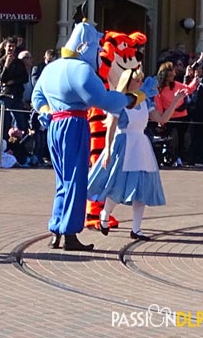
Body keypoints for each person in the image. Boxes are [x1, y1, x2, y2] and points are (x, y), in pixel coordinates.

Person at [32, 21, 158, 251]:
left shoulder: (51, 68)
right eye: (97, 47)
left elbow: (37, 97)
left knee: (63, 181)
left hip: (55, 125)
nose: (100, 53)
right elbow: (105, 101)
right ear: (85, 47)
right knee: (76, 180)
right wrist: (138, 95)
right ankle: (69, 233)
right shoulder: (81, 70)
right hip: (74, 124)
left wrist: (46, 111)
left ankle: (56, 229)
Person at [88, 68, 187, 240]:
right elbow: (110, 128)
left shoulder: (145, 102)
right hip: (123, 144)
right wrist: (108, 150)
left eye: (141, 79)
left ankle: (136, 229)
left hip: (141, 145)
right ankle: (105, 214)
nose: (140, 83)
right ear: (128, 82)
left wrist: (176, 101)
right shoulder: (118, 101)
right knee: (117, 185)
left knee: (141, 188)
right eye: (137, 80)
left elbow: (162, 119)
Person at [154, 61, 198, 167]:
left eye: (173, 74)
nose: (173, 75)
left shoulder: (177, 85)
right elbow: (159, 105)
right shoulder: (158, 89)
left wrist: (195, 80)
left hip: (182, 116)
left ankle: (181, 158)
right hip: (169, 118)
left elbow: (188, 89)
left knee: (183, 139)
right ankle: (172, 158)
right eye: (170, 74)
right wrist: (161, 120)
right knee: (172, 140)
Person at [0, 37, 28, 132]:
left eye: (13, 46)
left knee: (20, 123)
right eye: (9, 46)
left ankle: (18, 143)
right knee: (5, 122)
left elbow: (25, 78)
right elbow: (2, 79)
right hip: (5, 95)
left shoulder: (19, 63)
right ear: (5, 47)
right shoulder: (0, 62)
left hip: (17, 95)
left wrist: (13, 81)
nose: (11, 48)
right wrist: (6, 64)